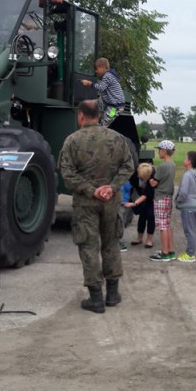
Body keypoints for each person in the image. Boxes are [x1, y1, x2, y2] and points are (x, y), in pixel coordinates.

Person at [58, 99, 134, 313]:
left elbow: (67, 174)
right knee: (111, 244)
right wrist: (111, 187)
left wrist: (92, 190)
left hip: (85, 203)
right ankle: (112, 294)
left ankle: (95, 299)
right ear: (99, 116)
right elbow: (129, 166)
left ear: (81, 115)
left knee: (88, 246)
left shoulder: (72, 141)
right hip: (111, 201)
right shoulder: (117, 138)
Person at [149, 140, 177, 262]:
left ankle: (165, 253)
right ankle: (170, 250)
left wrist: (150, 181)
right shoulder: (173, 164)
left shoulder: (162, 166)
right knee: (167, 224)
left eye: (159, 150)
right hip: (168, 197)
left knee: (162, 226)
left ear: (164, 151)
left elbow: (154, 182)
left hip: (160, 197)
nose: (158, 152)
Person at [174, 151, 196, 262]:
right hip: (194, 204)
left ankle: (190, 254)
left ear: (189, 161)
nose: (184, 159)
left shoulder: (187, 175)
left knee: (189, 231)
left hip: (188, 206)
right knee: (192, 230)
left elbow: (183, 193)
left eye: (186, 157)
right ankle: (190, 252)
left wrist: (178, 201)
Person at [80, 58, 125, 126]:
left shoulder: (107, 76)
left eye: (97, 68)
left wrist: (90, 84)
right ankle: (97, 114)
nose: (96, 71)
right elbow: (106, 89)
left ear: (103, 68)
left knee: (105, 122)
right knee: (95, 102)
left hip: (115, 107)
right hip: (109, 102)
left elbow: (101, 88)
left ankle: (100, 130)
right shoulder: (109, 76)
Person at [125, 162, 156, 248]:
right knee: (142, 216)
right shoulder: (134, 175)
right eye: (140, 177)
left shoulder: (153, 177)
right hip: (140, 193)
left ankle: (149, 240)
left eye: (143, 178)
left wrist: (134, 203)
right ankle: (139, 238)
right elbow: (130, 187)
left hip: (151, 197)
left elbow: (146, 195)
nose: (141, 178)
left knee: (150, 216)